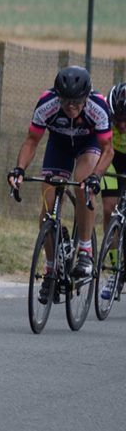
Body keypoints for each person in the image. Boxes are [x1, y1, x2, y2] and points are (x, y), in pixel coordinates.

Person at [7, 66, 113, 304]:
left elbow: (108, 149)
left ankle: (85, 250)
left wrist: (96, 176)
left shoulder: (98, 107)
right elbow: (32, 141)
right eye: (66, 101)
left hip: (89, 144)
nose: (71, 106)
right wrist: (19, 170)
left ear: (86, 97)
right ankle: (51, 270)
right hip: (60, 146)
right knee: (47, 209)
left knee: (84, 186)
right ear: (58, 96)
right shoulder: (47, 103)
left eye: (76, 101)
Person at [98, 82, 126, 300]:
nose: (122, 126)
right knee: (109, 210)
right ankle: (114, 272)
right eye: (118, 120)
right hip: (112, 158)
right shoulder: (105, 111)